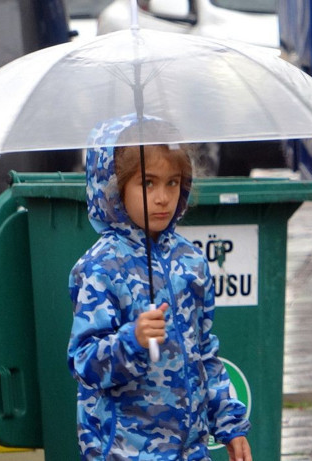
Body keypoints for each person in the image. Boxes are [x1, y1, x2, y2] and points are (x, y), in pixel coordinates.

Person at [67, 116, 252, 460]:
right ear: (114, 187)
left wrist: (229, 423)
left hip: (190, 450)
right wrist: (131, 340)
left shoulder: (191, 262)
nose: (164, 197)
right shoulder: (101, 267)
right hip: (125, 450)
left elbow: (205, 354)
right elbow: (84, 362)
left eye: (173, 182)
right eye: (148, 183)